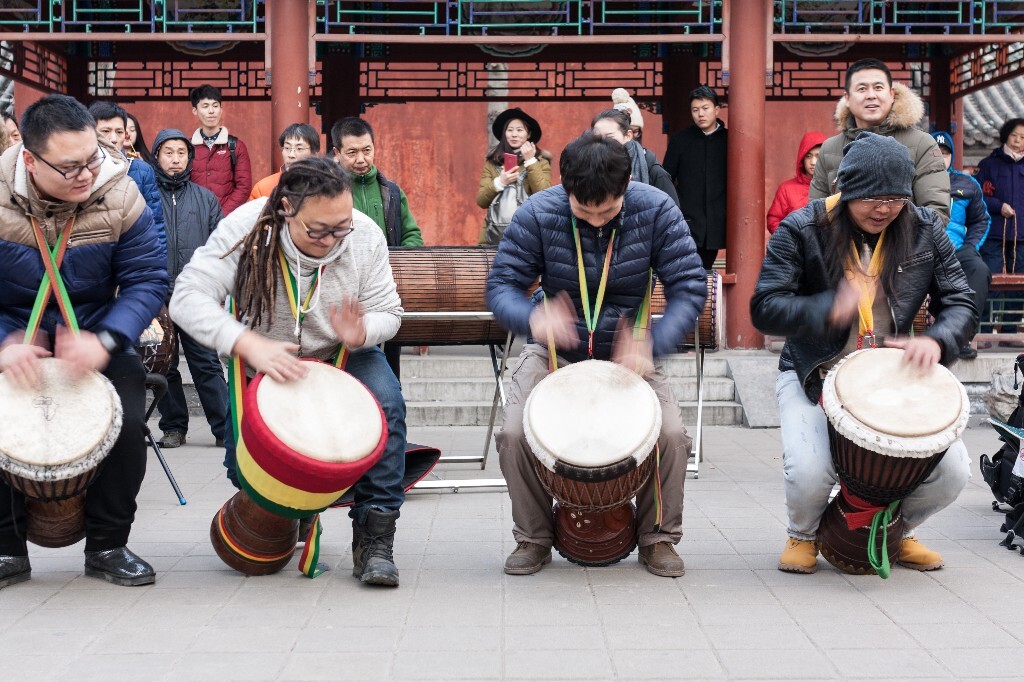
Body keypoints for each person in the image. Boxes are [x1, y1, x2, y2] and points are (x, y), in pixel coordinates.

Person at [169, 157, 408, 587]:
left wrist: (363, 331)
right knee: (244, 465)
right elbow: (186, 297)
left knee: (387, 404)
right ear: (285, 209)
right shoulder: (247, 229)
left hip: (342, 350)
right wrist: (246, 343)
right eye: (319, 230)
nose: (332, 239)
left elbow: (390, 312)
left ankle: (375, 538)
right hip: (263, 355)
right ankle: (289, 511)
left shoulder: (365, 234)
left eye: (341, 227)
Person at [751, 132, 975, 575]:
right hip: (816, 368)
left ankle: (897, 529)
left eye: (895, 198)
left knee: (953, 472)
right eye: (871, 197)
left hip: (893, 372)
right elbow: (764, 307)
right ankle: (803, 533)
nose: (884, 208)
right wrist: (825, 308)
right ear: (846, 189)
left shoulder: (926, 228)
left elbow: (961, 301)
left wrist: (938, 340)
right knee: (809, 470)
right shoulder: (803, 227)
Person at [486, 132, 707, 577]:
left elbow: (689, 286)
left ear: (625, 189)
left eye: (606, 211)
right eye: (582, 210)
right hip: (556, 352)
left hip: (629, 354)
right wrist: (533, 321)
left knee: (671, 436)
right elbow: (502, 286)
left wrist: (653, 344)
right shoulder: (538, 212)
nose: (594, 220)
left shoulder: (656, 209)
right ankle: (533, 537)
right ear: (565, 188)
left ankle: (658, 538)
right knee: (512, 433)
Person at [0, 94, 168, 589]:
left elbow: (148, 279)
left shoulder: (121, 192)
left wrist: (109, 338)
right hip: (14, 334)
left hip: (93, 329)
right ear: (29, 159)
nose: (86, 173)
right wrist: (5, 343)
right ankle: (5, 549)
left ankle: (109, 544)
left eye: (93, 157)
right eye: (70, 166)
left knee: (130, 417)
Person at [150, 128, 229, 449]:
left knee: (206, 363)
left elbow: (220, 247)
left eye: (181, 153)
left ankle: (227, 430)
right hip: (155, 293)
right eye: (168, 152)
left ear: (190, 157)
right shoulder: (144, 195)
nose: (175, 159)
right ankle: (173, 427)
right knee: (164, 364)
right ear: (156, 155)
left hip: (195, 293)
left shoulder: (205, 198)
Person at [331, 116, 423, 379]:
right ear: (337, 153)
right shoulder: (326, 192)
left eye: (367, 150)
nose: (361, 159)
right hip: (342, 293)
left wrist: (399, 265)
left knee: (389, 366)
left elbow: (413, 236)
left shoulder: (391, 192)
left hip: (383, 292)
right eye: (352, 152)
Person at [809, 58, 950, 223]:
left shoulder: (921, 144)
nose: (871, 96)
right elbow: (816, 213)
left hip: (905, 246)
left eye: (878, 88)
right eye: (862, 89)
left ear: (891, 95)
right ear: (847, 98)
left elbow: (935, 212)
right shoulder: (830, 148)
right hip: (842, 247)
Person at [932, 131, 991, 359]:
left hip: (958, 248)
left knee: (978, 269)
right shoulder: (913, 179)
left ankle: (962, 337)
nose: (940, 157)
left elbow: (981, 220)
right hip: (923, 248)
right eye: (934, 153)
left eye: (945, 153)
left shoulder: (967, 183)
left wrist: (972, 246)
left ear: (951, 156)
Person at [662, 85, 728, 270]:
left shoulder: (729, 140)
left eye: (705, 108)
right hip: (687, 218)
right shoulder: (680, 140)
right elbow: (666, 177)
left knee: (705, 267)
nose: (700, 114)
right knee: (686, 268)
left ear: (716, 109)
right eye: (695, 110)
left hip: (717, 218)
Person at [88, 101, 167, 251]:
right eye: (105, 131)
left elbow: (156, 223)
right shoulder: (82, 170)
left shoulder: (142, 171)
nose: (113, 138)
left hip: (134, 253)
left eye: (119, 132)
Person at [476, 107, 552, 246]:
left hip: (528, 237)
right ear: (504, 134)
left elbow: (543, 195)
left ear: (528, 134)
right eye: (510, 130)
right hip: (493, 237)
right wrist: (500, 182)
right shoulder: (492, 163)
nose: (514, 134)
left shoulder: (541, 163)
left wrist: (530, 161)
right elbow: (481, 201)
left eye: (519, 130)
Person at [591, 108, 679, 206]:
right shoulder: (586, 168)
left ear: (628, 135)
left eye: (610, 137)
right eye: (597, 137)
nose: (603, 142)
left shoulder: (654, 172)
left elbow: (672, 215)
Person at [189, 84, 252, 216]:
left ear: (221, 109)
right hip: (194, 218)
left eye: (215, 105)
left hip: (227, 220)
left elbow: (244, 187)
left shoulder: (236, 146)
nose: (211, 111)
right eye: (205, 106)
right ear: (195, 111)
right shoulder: (187, 147)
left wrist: (221, 215)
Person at [976, 118, 1024, 277]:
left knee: (1019, 286)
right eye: (1014, 135)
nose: (1017, 141)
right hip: (994, 234)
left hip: (1022, 237)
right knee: (993, 279)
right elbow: (976, 196)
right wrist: (999, 206)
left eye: (1023, 137)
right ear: (1006, 135)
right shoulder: (988, 164)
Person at [767, 131, 827, 234]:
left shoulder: (834, 186)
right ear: (802, 158)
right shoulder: (786, 189)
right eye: (808, 156)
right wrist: (791, 240)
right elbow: (773, 221)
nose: (813, 162)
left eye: (818, 156)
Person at [250, 123, 320, 201]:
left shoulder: (326, 186)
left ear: (314, 154)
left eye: (299, 148)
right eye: (287, 148)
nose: (291, 154)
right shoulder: (262, 188)